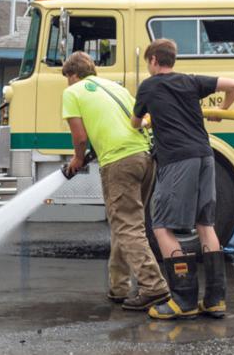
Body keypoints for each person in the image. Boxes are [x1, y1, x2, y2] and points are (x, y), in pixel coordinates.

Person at [130, 38, 234, 320]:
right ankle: (215, 300)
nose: (149, 67)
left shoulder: (149, 86)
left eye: (148, 62)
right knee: (205, 223)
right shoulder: (191, 82)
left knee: (161, 226)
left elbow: (135, 122)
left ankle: (183, 299)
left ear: (154, 60)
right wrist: (224, 112)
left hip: (178, 160)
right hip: (206, 156)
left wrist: (146, 120)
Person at [61, 52, 169, 311]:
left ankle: (153, 287)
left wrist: (77, 159)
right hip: (144, 158)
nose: (67, 83)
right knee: (127, 223)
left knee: (128, 227)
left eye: (67, 77)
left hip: (119, 163)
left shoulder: (73, 92)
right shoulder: (115, 88)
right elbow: (139, 120)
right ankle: (119, 287)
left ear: (73, 75)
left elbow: (80, 136)